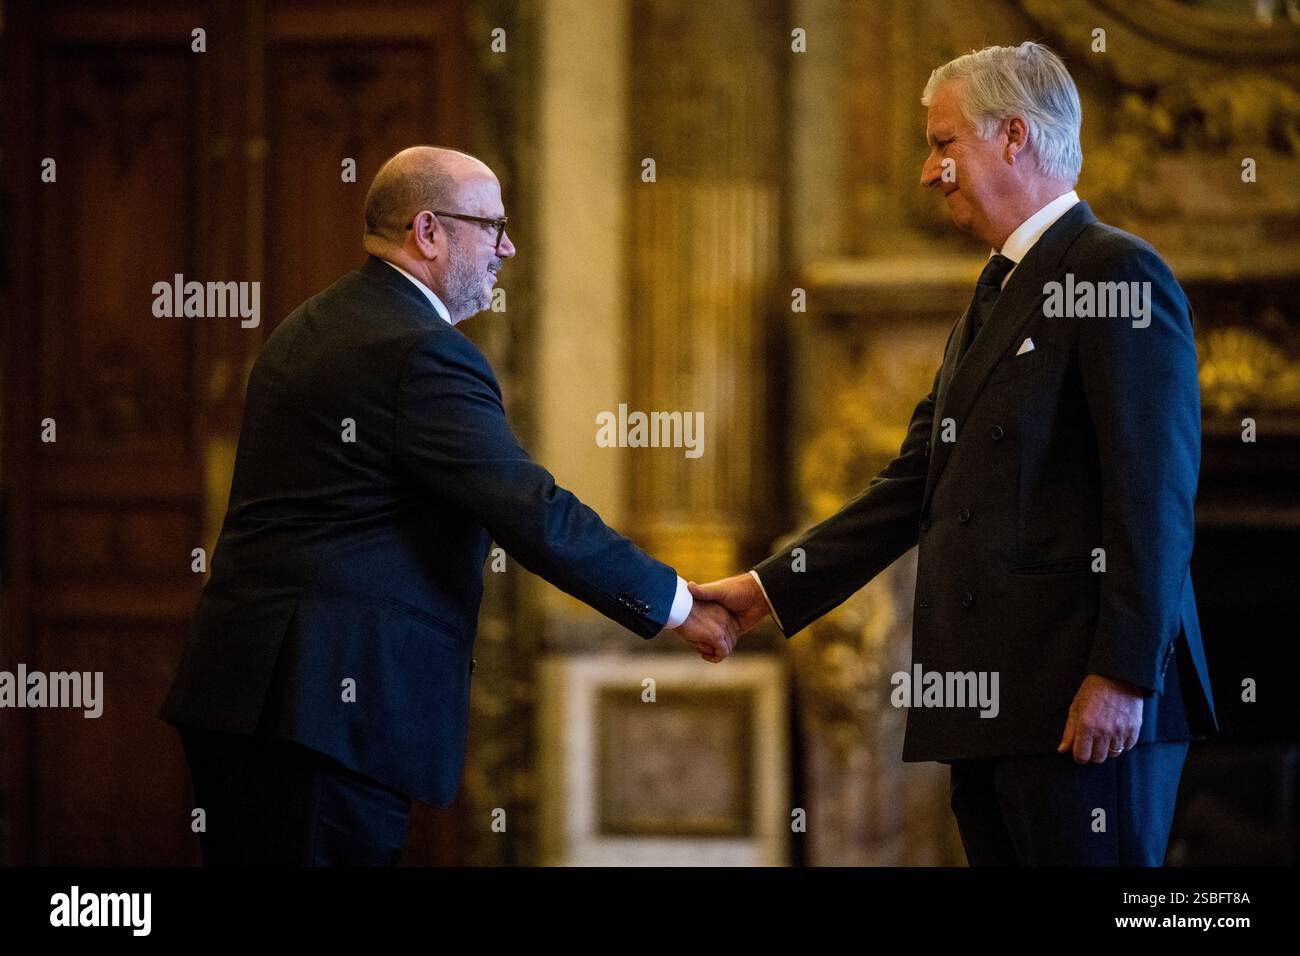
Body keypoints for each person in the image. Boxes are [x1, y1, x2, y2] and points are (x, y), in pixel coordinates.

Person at [690, 42, 1218, 866]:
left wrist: (1123, 675)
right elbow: (912, 486)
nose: (926, 171)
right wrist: (767, 589)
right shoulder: (996, 290)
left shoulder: (1117, 270)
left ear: (1014, 137)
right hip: (998, 710)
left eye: (944, 144)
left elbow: (1154, 493)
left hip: (1086, 711)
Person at [160, 146, 737, 866]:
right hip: (319, 714)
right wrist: (679, 605)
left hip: (251, 696)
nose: (508, 246)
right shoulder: (420, 352)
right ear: (427, 231)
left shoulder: (310, 325)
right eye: (492, 226)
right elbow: (530, 509)